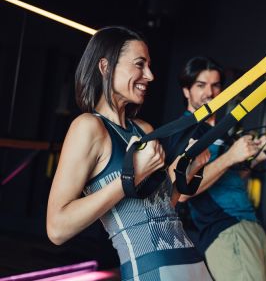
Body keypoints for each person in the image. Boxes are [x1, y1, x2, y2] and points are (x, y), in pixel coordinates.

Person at [46, 26, 213, 281]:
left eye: (149, 66)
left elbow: (160, 208)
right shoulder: (89, 127)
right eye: (140, 64)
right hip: (151, 269)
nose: (150, 75)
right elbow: (57, 228)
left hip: (192, 263)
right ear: (105, 67)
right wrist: (131, 175)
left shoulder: (144, 129)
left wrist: (186, 169)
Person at [172, 56, 266, 281]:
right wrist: (231, 156)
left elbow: (229, 177)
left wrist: (253, 158)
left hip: (249, 224)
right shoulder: (186, 132)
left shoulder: (220, 130)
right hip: (225, 230)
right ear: (186, 91)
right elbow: (180, 192)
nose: (209, 92)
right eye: (200, 85)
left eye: (215, 85)